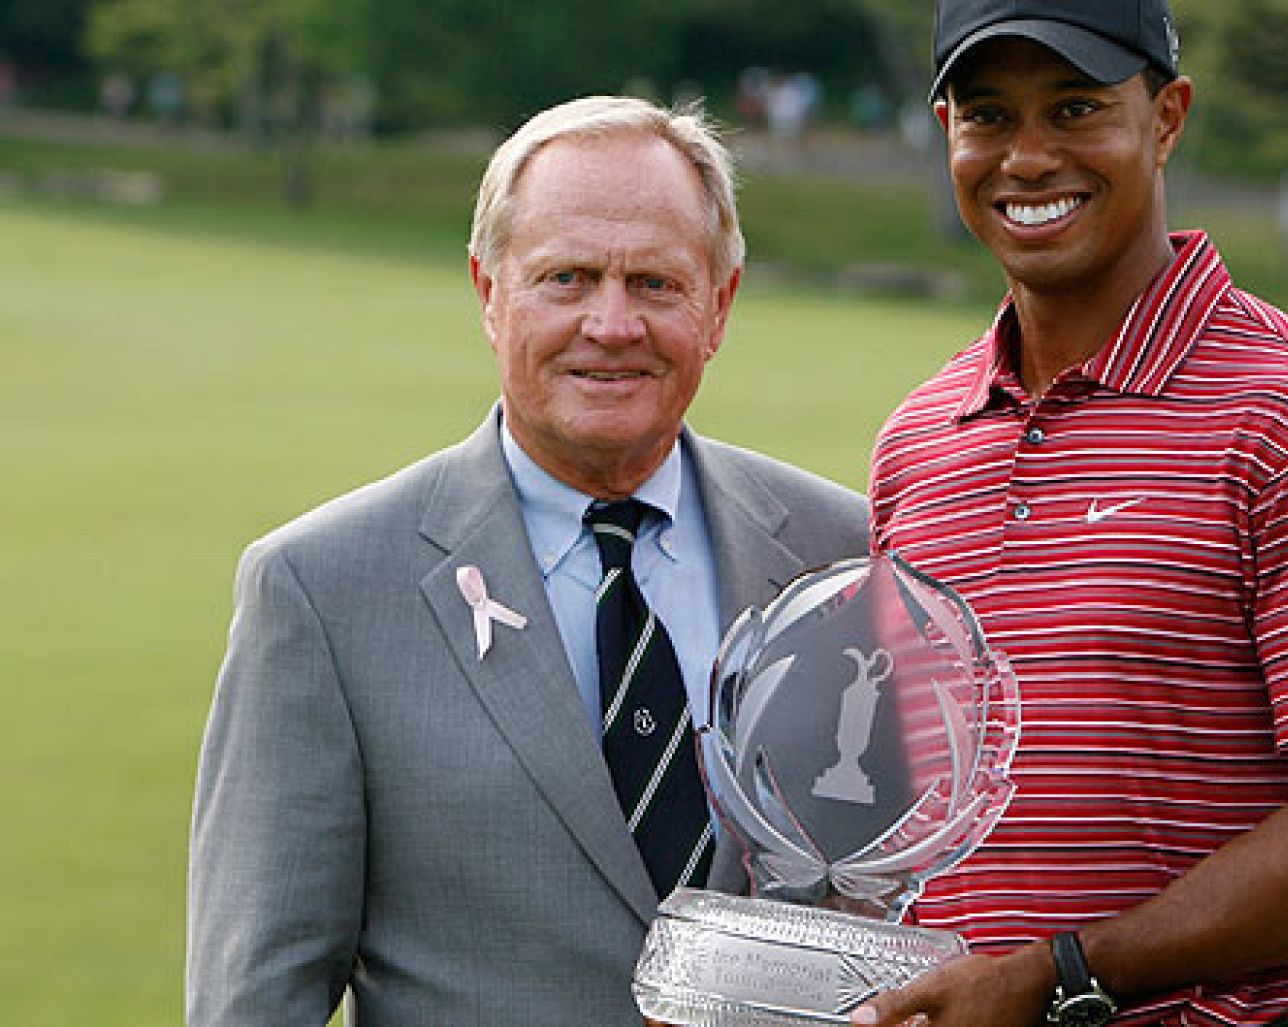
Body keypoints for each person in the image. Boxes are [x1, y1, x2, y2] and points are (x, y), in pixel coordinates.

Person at [187, 95, 869, 1026]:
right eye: (568, 277)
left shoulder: (840, 556)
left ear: (720, 303)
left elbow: (886, 914)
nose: (612, 322)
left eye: (657, 284)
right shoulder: (321, 590)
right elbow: (257, 1000)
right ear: (488, 291)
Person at [853, 2, 1288, 1025]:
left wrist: (1057, 974)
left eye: (1076, 108)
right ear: (945, 130)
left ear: (1167, 116)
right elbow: (908, 807)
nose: (1029, 156)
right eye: (990, 116)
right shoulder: (919, 442)